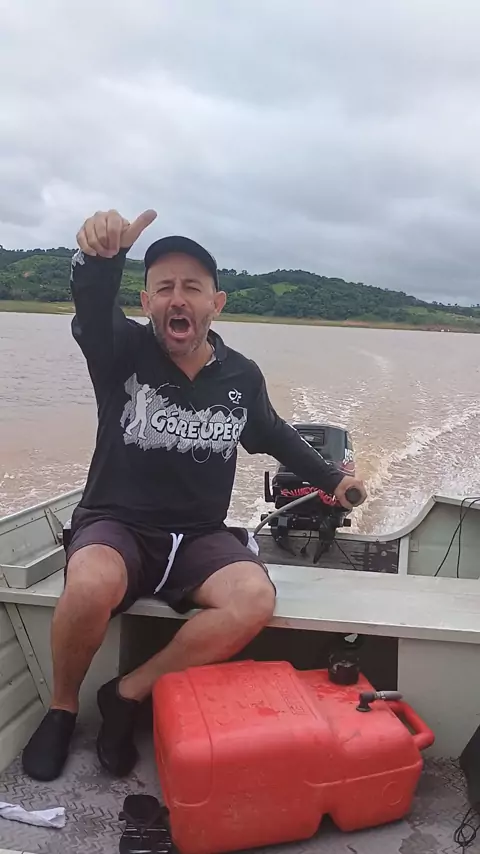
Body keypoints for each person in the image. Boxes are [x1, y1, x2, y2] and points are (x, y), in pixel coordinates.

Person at [22, 208, 367, 782]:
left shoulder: (241, 376)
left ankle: (126, 694)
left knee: (252, 599)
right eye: (163, 288)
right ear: (146, 302)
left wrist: (334, 479)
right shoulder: (120, 351)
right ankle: (61, 709)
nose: (176, 298)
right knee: (89, 584)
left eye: (191, 288)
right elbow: (92, 307)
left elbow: (274, 433)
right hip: (116, 524)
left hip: (199, 536)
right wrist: (101, 260)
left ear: (216, 303)